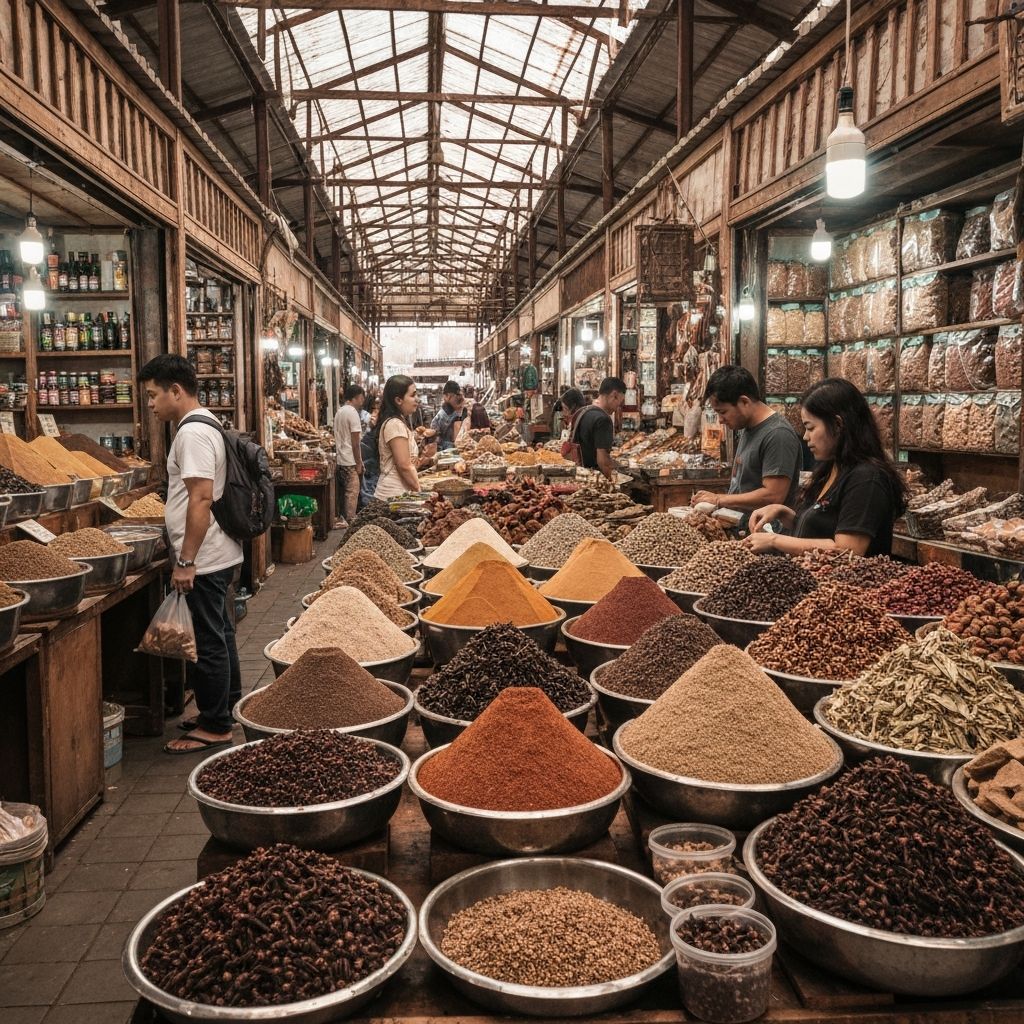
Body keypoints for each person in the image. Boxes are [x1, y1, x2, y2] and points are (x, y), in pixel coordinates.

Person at [137, 355, 242, 756]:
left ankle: (216, 727)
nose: (150, 404)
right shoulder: (203, 424)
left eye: (153, 395)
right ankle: (221, 710)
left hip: (206, 557)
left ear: (175, 391)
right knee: (221, 635)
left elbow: (200, 498)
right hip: (216, 552)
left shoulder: (192, 434)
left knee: (209, 642)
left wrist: (186, 561)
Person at [745, 377, 908, 557]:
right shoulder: (832, 469)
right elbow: (824, 526)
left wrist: (774, 540)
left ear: (838, 425)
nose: (805, 437)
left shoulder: (867, 479)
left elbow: (847, 550)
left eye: (810, 427)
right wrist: (786, 514)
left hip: (846, 584)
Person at [691, 365, 802, 523]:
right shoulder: (748, 427)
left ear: (744, 402)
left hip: (766, 534)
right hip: (744, 528)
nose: (720, 420)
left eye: (722, 412)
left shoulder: (777, 434)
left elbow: (773, 496)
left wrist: (718, 499)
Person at [374, 374, 421, 499]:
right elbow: (404, 465)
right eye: (412, 395)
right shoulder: (395, 424)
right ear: (398, 400)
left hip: (398, 493)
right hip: (393, 495)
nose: (417, 399)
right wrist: (419, 490)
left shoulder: (397, 422)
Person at [570, 377, 625, 479]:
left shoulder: (583, 411)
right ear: (614, 395)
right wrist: (614, 485)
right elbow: (603, 461)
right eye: (619, 403)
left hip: (578, 475)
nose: (618, 407)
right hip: (594, 479)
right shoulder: (603, 420)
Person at [333, 384, 364, 527]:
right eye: (361, 398)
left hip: (340, 458)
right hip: (350, 459)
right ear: (357, 397)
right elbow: (355, 442)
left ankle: (343, 519)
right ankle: (351, 522)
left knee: (344, 492)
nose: (362, 401)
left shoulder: (339, 411)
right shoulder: (353, 413)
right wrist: (359, 462)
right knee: (352, 491)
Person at [358, 396, 382, 509]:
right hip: (369, 469)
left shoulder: (381, 429)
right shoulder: (371, 431)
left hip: (374, 468)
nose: (373, 415)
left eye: (377, 411)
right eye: (373, 410)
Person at [430, 381, 468, 451]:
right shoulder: (440, 416)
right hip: (447, 454)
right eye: (456, 396)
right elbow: (435, 440)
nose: (458, 398)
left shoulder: (465, 411)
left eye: (458, 395)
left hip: (463, 450)